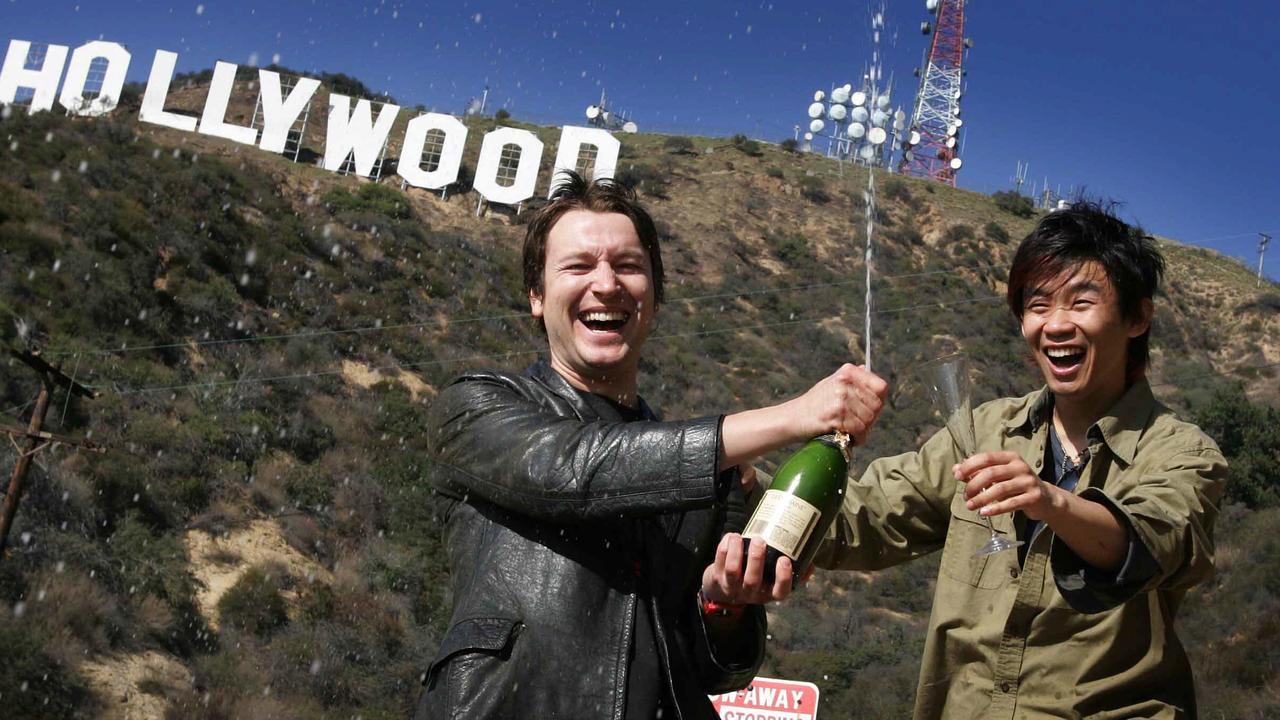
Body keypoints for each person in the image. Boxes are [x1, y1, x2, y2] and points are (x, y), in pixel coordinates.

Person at [416, 171, 887, 719]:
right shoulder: (474, 407)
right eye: (578, 266)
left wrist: (724, 605)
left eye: (628, 265)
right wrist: (794, 417)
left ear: (655, 302)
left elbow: (721, 671)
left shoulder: (708, 471)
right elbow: (578, 470)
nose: (606, 283)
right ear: (537, 298)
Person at [814, 202, 1228, 719]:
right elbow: (864, 517)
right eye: (1038, 305)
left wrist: (1051, 502)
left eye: (1081, 303)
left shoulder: (1181, 452)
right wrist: (734, 482)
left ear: (1138, 317)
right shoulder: (984, 431)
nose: (1055, 325)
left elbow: (1155, 541)